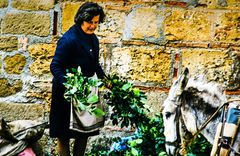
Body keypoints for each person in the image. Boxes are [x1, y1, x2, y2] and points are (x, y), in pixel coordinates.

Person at [49, 2, 106, 156]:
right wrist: (70, 84)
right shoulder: (69, 40)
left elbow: (94, 64)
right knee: (64, 136)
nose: (93, 26)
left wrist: (107, 81)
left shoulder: (93, 40)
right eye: (90, 22)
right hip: (66, 95)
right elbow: (55, 66)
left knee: (83, 134)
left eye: (96, 22)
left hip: (84, 94)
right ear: (81, 19)